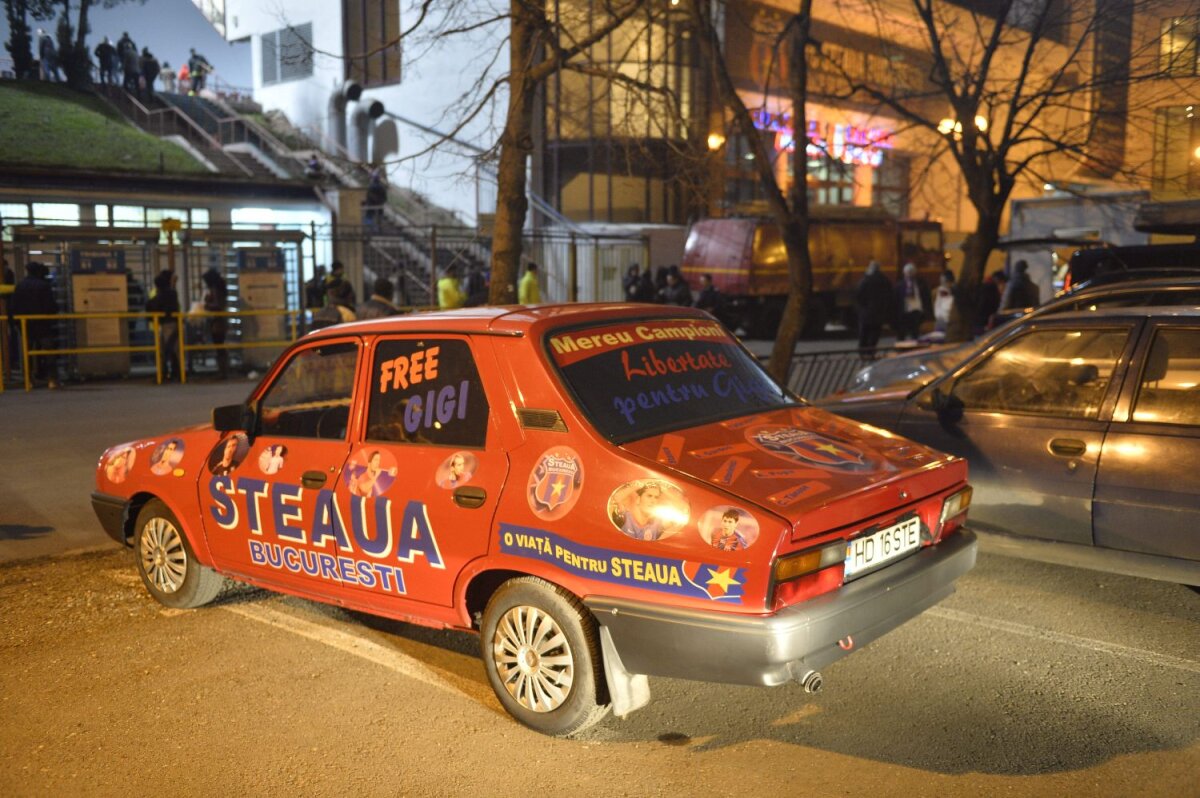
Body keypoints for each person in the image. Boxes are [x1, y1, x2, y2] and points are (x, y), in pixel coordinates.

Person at [11, 262, 59, 388]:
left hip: (26, 325)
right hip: (43, 325)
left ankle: (29, 380)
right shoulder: (44, 286)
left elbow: (13, 307)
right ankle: (52, 380)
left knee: (27, 353)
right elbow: (51, 306)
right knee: (48, 351)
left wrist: (16, 324)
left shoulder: (20, 286)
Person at [148, 270, 181, 381]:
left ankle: (164, 373)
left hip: (162, 323)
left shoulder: (159, 293)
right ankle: (176, 373)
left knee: (164, 350)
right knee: (173, 349)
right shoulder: (170, 293)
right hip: (170, 323)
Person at [854, 260, 893, 353]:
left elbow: (858, 295)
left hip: (866, 311)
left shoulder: (865, 279)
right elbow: (889, 294)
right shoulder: (884, 280)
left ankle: (863, 350)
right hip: (879, 311)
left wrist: (861, 306)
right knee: (875, 332)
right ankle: (871, 350)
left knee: (864, 332)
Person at [201, 267, 229, 379]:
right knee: (220, 346)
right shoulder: (220, 288)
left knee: (219, 346)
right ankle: (223, 370)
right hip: (221, 320)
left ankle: (222, 372)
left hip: (218, 321)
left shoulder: (215, 289)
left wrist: (206, 305)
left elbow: (217, 305)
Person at [893, 262, 930, 342]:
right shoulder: (899, 285)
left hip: (916, 311)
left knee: (915, 333)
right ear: (904, 273)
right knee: (901, 335)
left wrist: (926, 310)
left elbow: (926, 297)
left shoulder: (921, 284)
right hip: (904, 312)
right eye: (908, 272)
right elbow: (896, 300)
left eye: (911, 272)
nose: (909, 274)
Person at [975, 269, 1008, 335]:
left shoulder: (985, 287)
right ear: (999, 282)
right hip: (984, 327)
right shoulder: (992, 291)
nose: (1004, 287)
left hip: (979, 326)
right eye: (1003, 284)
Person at [933, 269, 957, 334]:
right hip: (940, 321)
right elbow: (936, 305)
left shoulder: (956, 292)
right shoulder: (938, 291)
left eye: (944, 282)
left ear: (950, 282)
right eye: (941, 282)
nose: (942, 284)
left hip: (951, 322)